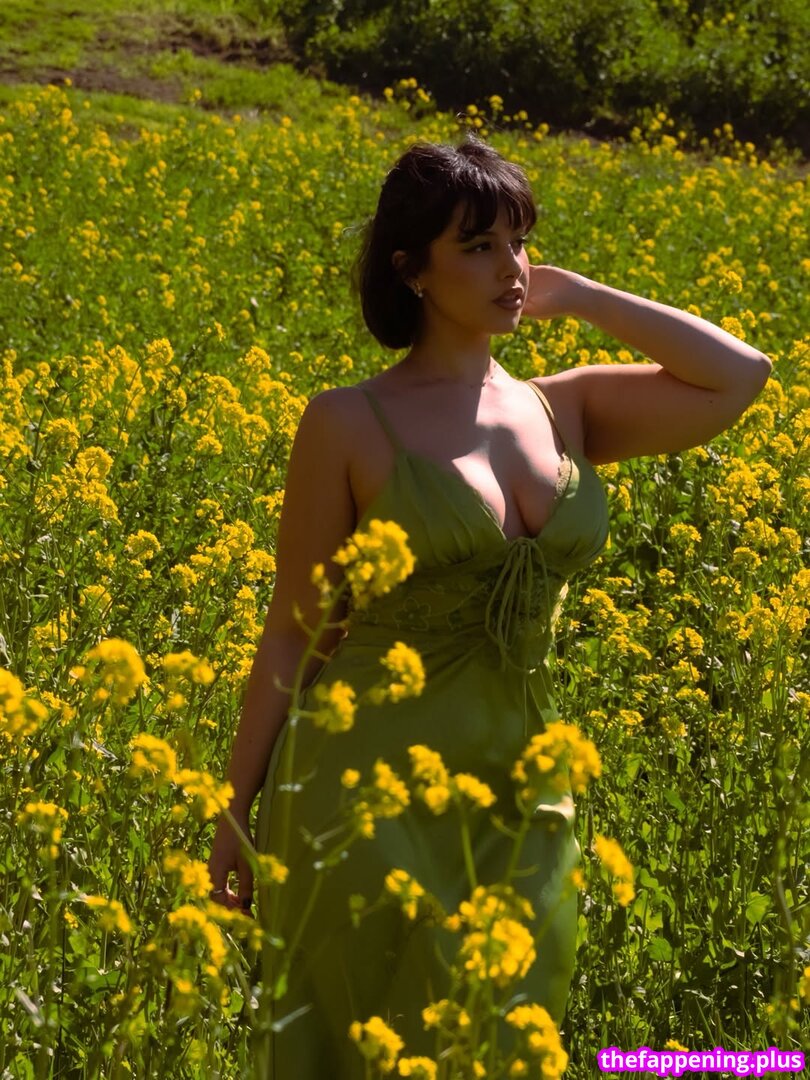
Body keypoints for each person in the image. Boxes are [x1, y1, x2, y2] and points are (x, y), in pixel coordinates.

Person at [207, 135, 771, 1076]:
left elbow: (740, 375)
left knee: (508, 1044)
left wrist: (579, 295)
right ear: (411, 270)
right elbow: (298, 632)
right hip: (365, 791)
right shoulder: (345, 421)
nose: (511, 268)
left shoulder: (564, 409)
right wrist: (236, 807)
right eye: (476, 247)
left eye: (518, 242)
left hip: (523, 789)